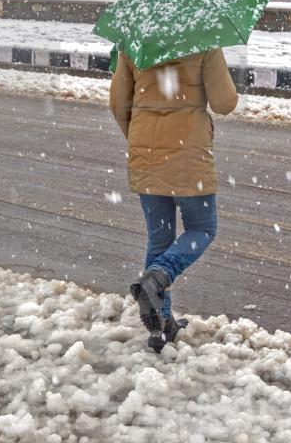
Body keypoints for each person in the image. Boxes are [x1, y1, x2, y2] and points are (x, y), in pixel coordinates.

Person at [109, 47, 239, 353]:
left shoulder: (132, 42)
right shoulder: (203, 40)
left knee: (160, 237)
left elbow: (117, 103)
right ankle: (158, 278)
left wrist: (142, 137)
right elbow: (224, 102)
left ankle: (162, 327)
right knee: (202, 228)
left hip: (146, 153)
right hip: (188, 152)